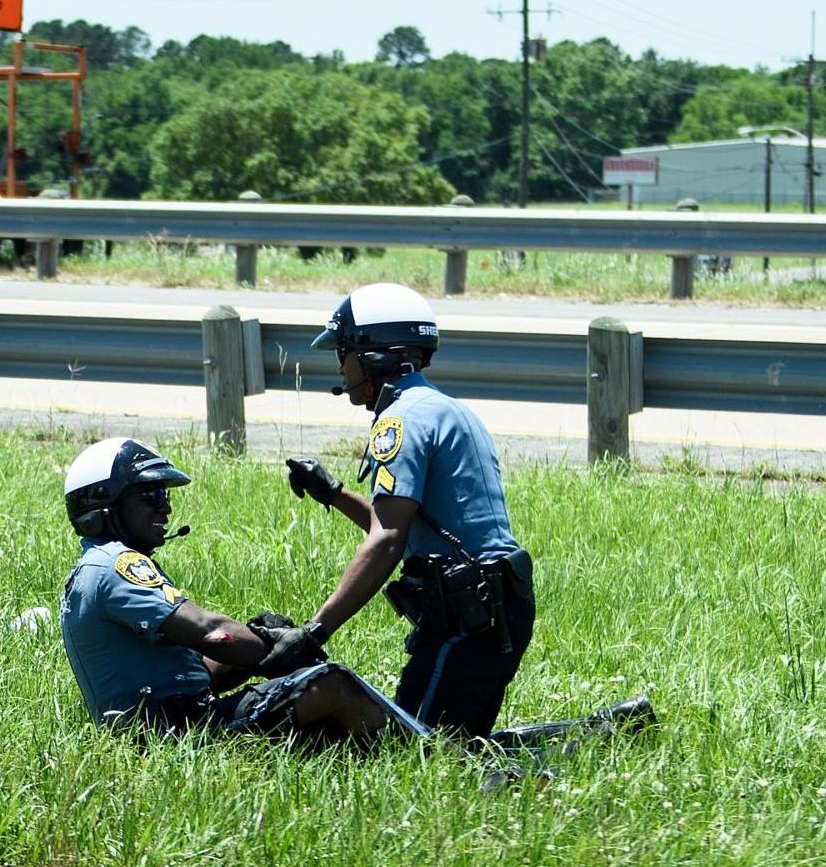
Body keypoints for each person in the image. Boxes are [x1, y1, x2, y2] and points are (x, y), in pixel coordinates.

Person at [258, 283, 535, 738]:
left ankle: (585, 742)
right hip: (494, 606)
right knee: (453, 743)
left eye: (345, 352)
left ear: (374, 357)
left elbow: (387, 540)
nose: (340, 365)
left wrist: (315, 631)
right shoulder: (446, 408)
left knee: (417, 754)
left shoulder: (398, 420)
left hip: (468, 617)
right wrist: (334, 493)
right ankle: (602, 732)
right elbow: (398, 523)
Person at [57, 437, 280, 730]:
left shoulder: (99, 564)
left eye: (165, 496)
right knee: (329, 685)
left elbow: (186, 671)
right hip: (173, 732)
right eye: (152, 496)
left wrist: (267, 641)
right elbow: (208, 631)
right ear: (106, 505)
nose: (166, 509)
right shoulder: (116, 564)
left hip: (171, 721)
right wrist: (283, 650)